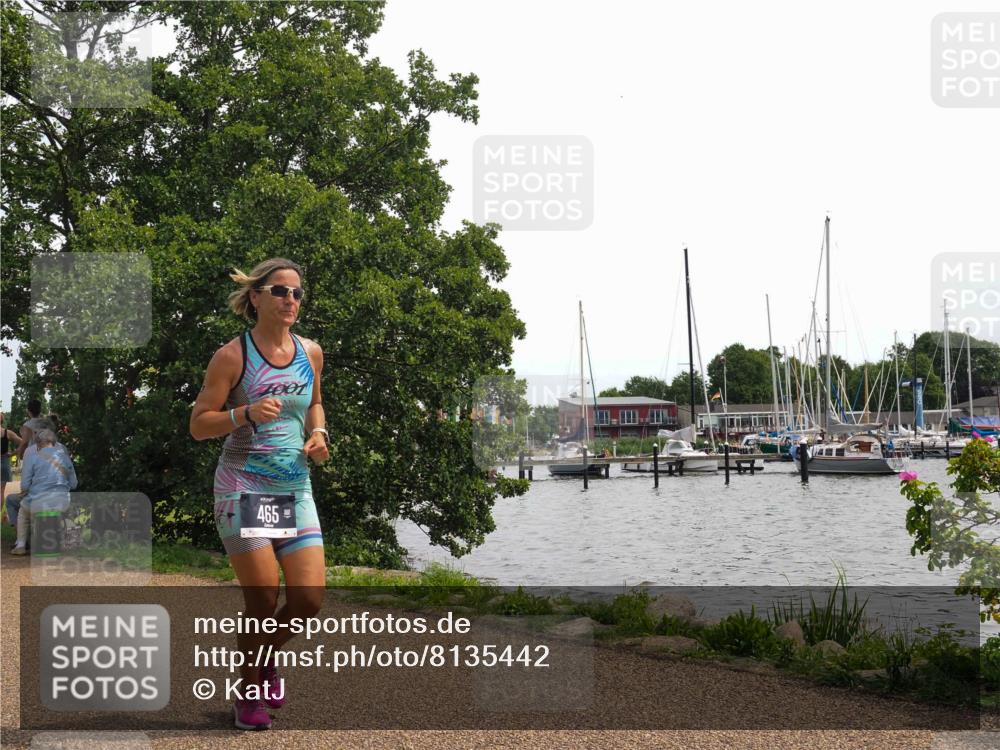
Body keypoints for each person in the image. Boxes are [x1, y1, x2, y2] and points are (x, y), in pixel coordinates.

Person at [190, 257, 328, 731]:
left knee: (309, 598)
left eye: (296, 293)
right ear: (256, 297)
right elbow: (198, 424)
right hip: (244, 484)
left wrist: (320, 434)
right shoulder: (233, 356)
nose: (291, 300)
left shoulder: (311, 352)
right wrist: (244, 413)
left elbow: (312, 403)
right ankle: (248, 690)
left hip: (294, 484)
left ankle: (264, 656)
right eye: (280, 291)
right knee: (264, 598)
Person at [11, 428, 77, 555]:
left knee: (22, 512)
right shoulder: (65, 458)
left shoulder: (32, 457)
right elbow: (74, 484)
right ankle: (67, 541)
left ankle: (20, 545)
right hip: (62, 503)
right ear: (54, 442)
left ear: (38, 444)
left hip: (39, 503)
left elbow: (24, 486)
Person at [1, 412, 24, 523]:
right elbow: (23, 442)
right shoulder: (7, 433)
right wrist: (13, 453)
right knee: (1, 491)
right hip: (4, 461)